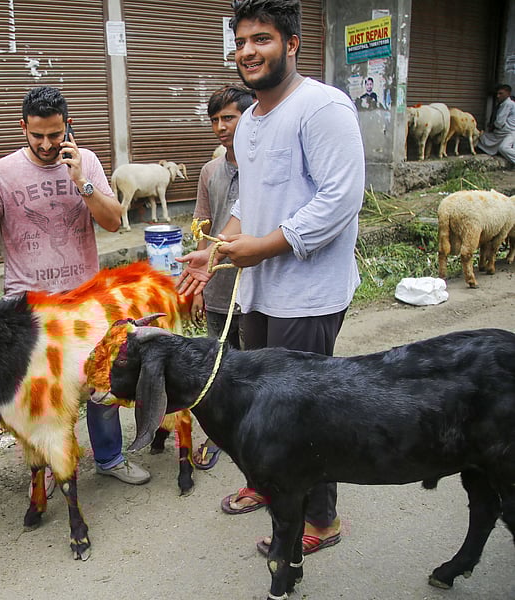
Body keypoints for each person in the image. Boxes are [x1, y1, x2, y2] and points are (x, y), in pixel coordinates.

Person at [177, 0, 365, 556]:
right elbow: (249, 203)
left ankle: (322, 520)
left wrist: (263, 246)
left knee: (305, 414)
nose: (247, 52)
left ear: (292, 43)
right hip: (256, 292)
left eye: (261, 39)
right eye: (240, 42)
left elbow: (340, 200)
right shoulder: (252, 120)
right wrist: (216, 251)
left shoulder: (322, 107)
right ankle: (272, 482)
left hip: (306, 296)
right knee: (262, 404)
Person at [0, 86, 151, 487]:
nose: (47, 144)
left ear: (68, 126)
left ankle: (109, 457)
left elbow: (112, 221)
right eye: (38, 135)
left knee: (101, 381)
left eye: (55, 134)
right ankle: (48, 466)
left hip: (85, 302)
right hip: (28, 309)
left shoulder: (85, 162)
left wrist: (81, 181)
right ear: (23, 128)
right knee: (42, 393)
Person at [188, 84, 256, 471]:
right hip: (217, 284)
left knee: (254, 363)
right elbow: (203, 229)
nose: (220, 127)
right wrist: (199, 285)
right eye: (214, 119)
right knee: (217, 363)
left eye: (228, 118)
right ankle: (218, 434)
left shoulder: (263, 167)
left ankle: (253, 430)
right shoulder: (209, 171)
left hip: (254, 284)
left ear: (248, 117)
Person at [476, 83, 515, 166]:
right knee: (482, 137)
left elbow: (499, 122)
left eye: (501, 93)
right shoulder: (505, 104)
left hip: (508, 133)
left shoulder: (508, 104)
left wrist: (494, 125)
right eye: (497, 93)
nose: (498, 96)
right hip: (502, 133)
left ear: (508, 94)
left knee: (503, 148)